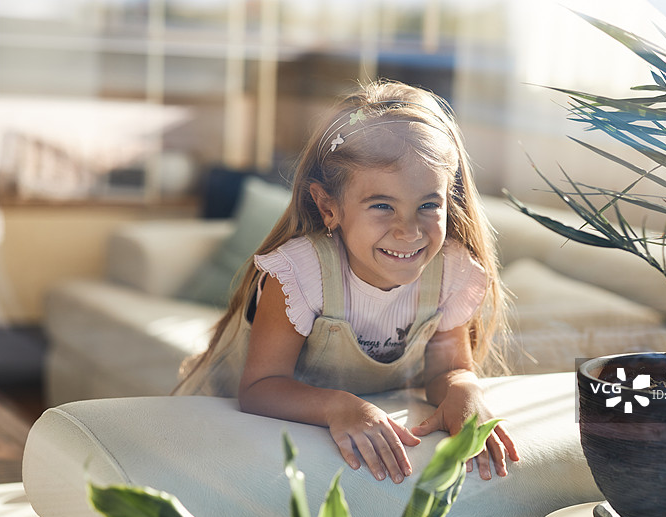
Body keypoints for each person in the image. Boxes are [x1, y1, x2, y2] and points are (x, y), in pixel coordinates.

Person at [175, 79, 519, 484]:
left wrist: (464, 390)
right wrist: (340, 407)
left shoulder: (450, 272)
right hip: (221, 422)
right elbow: (260, 387)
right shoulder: (301, 274)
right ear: (328, 207)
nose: (409, 231)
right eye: (382, 205)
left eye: (429, 204)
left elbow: (447, 369)